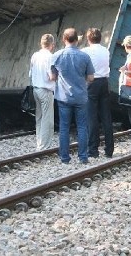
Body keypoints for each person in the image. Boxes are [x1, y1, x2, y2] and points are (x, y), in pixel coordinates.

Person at [51, 28, 95, 164]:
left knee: (64, 127)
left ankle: (65, 158)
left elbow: (53, 77)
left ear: (64, 39)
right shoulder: (85, 56)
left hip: (63, 97)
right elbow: (91, 77)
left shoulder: (57, 56)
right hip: (81, 96)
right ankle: (83, 157)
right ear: (77, 40)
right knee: (82, 127)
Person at [82, 28, 113, 158]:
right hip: (104, 83)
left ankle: (93, 150)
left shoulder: (85, 52)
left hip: (91, 84)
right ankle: (109, 149)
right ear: (100, 38)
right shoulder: (106, 50)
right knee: (106, 116)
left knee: (92, 117)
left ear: (88, 39)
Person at [29, 33, 56, 150]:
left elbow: (30, 73)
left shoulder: (35, 55)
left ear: (41, 43)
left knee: (39, 117)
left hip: (36, 89)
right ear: (52, 44)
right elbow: (51, 76)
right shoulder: (50, 57)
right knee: (47, 118)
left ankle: (39, 142)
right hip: (46, 90)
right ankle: (44, 146)